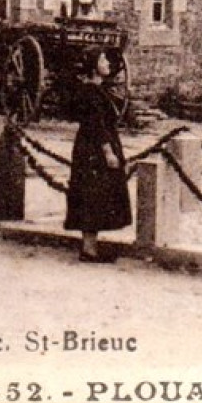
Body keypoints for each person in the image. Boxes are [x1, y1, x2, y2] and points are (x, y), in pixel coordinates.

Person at [65, 51, 132, 262]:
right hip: (94, 149)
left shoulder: (97, 90)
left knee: (95, 195)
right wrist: (108, 152)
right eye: (102, 60)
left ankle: (90, 247)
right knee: (92, 194)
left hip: (92, 146)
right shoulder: (90, 92)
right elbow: (96, 124)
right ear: (94, 66)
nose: (107, 63)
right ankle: (89, 249)